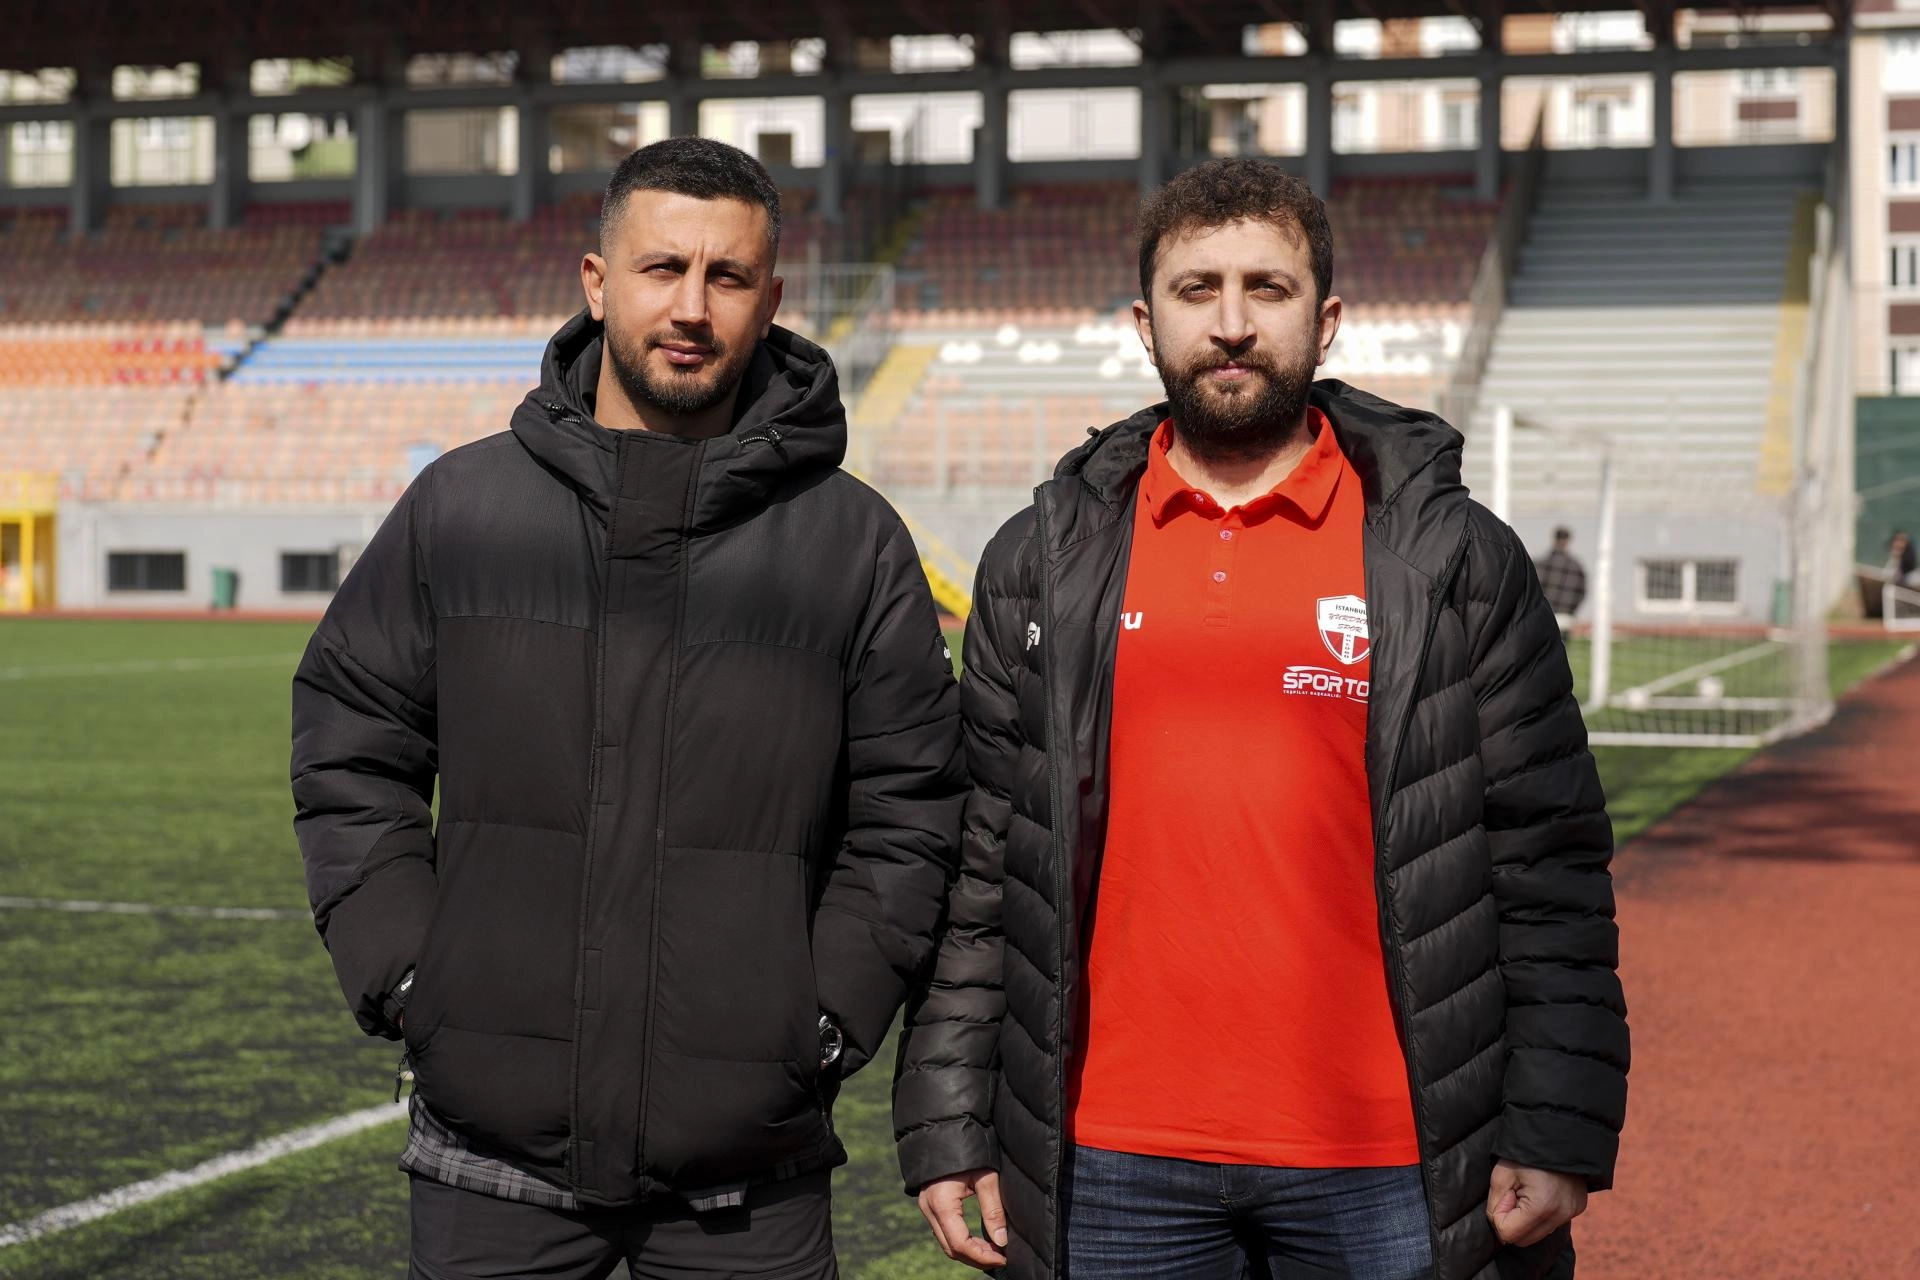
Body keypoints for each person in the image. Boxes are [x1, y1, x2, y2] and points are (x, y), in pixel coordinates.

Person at [896, 158, 1629, 1280]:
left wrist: (1558, 1121)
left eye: (1267, 289)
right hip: (1109, 1158)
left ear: (1324, 322)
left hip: (1391, 1159)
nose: (1231, 323)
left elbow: (1548, 859)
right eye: (1197, 290)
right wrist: (950, 1121)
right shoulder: (1038, 562)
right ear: (1145, 322)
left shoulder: (1454, 558)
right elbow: (985, 868)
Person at [292, 138, 965, 1280]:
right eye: (662, 268)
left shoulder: (851, 542)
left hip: (750, 1172)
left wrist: (822, 1017)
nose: (691, 307)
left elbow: (913, 807)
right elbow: (351, 742)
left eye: (727, 276)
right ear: (598, 282)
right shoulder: (462, 507)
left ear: (771, 301)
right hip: (488, 1159)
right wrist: (408, 972)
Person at [1536, 527, 1587, 626]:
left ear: (1554, 539)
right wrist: (1571, 611)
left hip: (1544, 614)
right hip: (1565, 616)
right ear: (1568, 541)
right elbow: (1581, 593)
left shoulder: (1541, 564)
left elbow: (1534, 590)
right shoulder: (1576, 566)